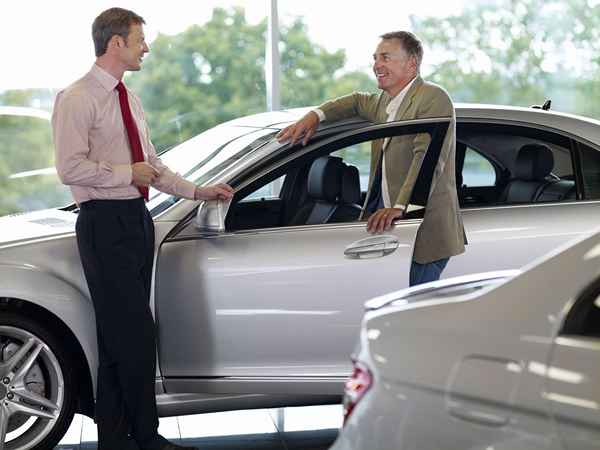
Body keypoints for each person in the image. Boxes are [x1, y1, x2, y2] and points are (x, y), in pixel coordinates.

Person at [52, 7, 233, 450]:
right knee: (136, 333)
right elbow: (68, 167)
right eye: (140, 40)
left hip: (136, 220)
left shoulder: (128, 98)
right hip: (103, 224)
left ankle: (114, 440)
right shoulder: (76, 97)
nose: (146, 48)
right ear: (116, 43)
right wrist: (125, 172)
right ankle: (148, 437)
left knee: (118, 338)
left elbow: (151, 165)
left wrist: (198, 191)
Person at [278, 31, 465, 286]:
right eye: (375, 58)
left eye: (385, 57)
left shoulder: (432, 98)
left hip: (423, 230)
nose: (377, 65)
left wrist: (399, 208)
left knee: (413, 317)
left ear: (412, 63)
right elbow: (354, 102)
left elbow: (428, 160)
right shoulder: (383, 102)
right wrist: (315, 116)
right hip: (391, 231)